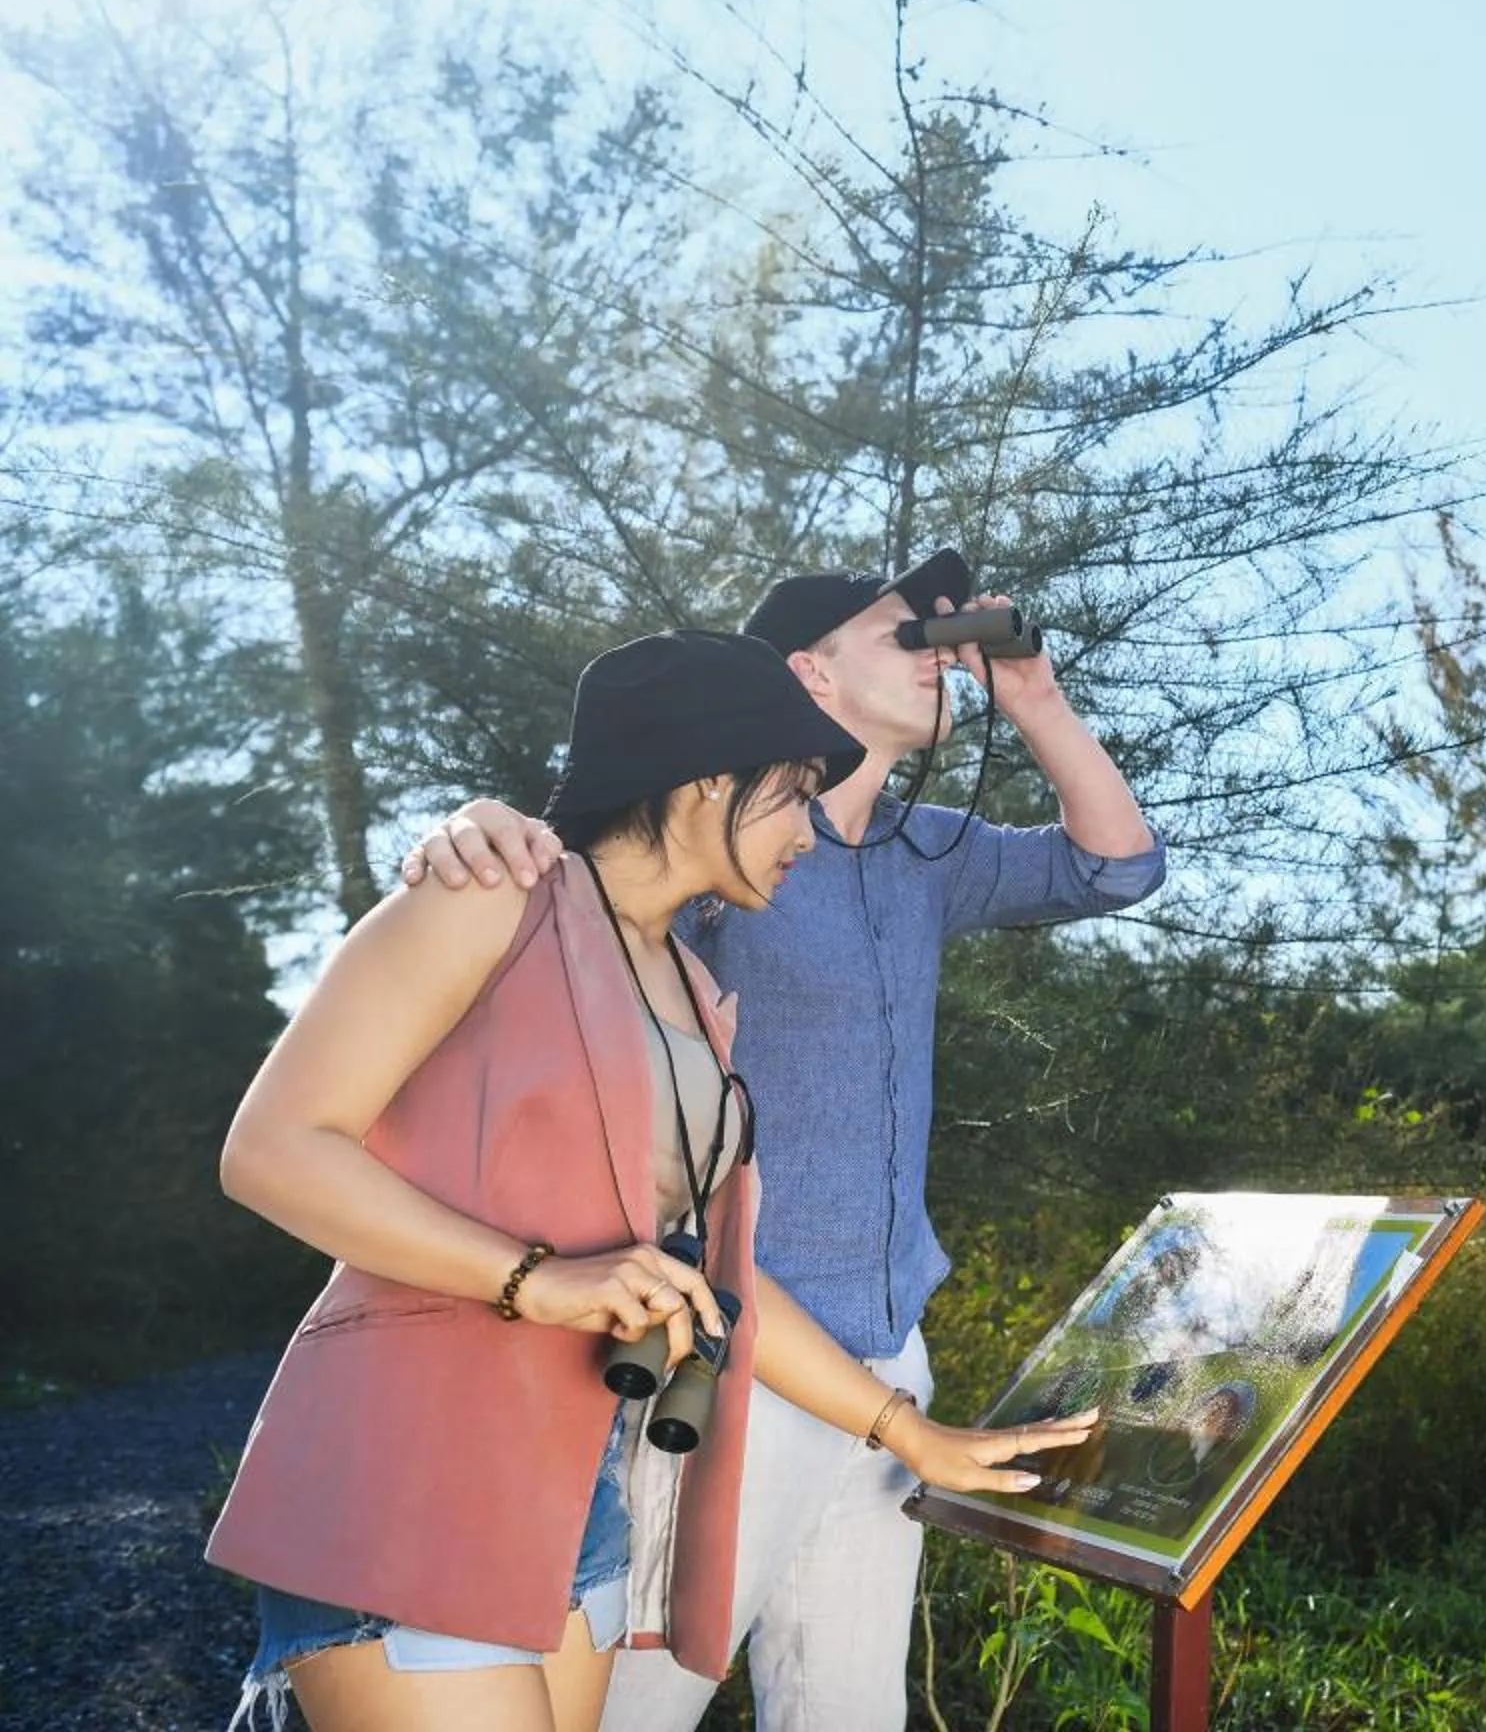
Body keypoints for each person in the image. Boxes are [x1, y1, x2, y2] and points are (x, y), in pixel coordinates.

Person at [209, 630, 1097, 1732]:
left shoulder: (694, 987)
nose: (805, 835)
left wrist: (908, 1431)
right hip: (411, 1460)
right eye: (791, 795)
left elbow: (714, 1277)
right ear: (705, 780)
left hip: (578, 1495)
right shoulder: (490, 896)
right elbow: (274, 1145)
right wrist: (539, 1277)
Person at [405, 551, 1166, 1732]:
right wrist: (473, 824)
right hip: (725, 1349)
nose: (934, 648)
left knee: (850, 1710)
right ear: (808, 672)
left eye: (938, 632)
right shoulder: (723, 839)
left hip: (890, 1359)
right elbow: (583, 886)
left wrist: (1035, 701)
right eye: (902, 632)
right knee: (644, 1703)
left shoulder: (933, 851)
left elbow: (1119, 867)